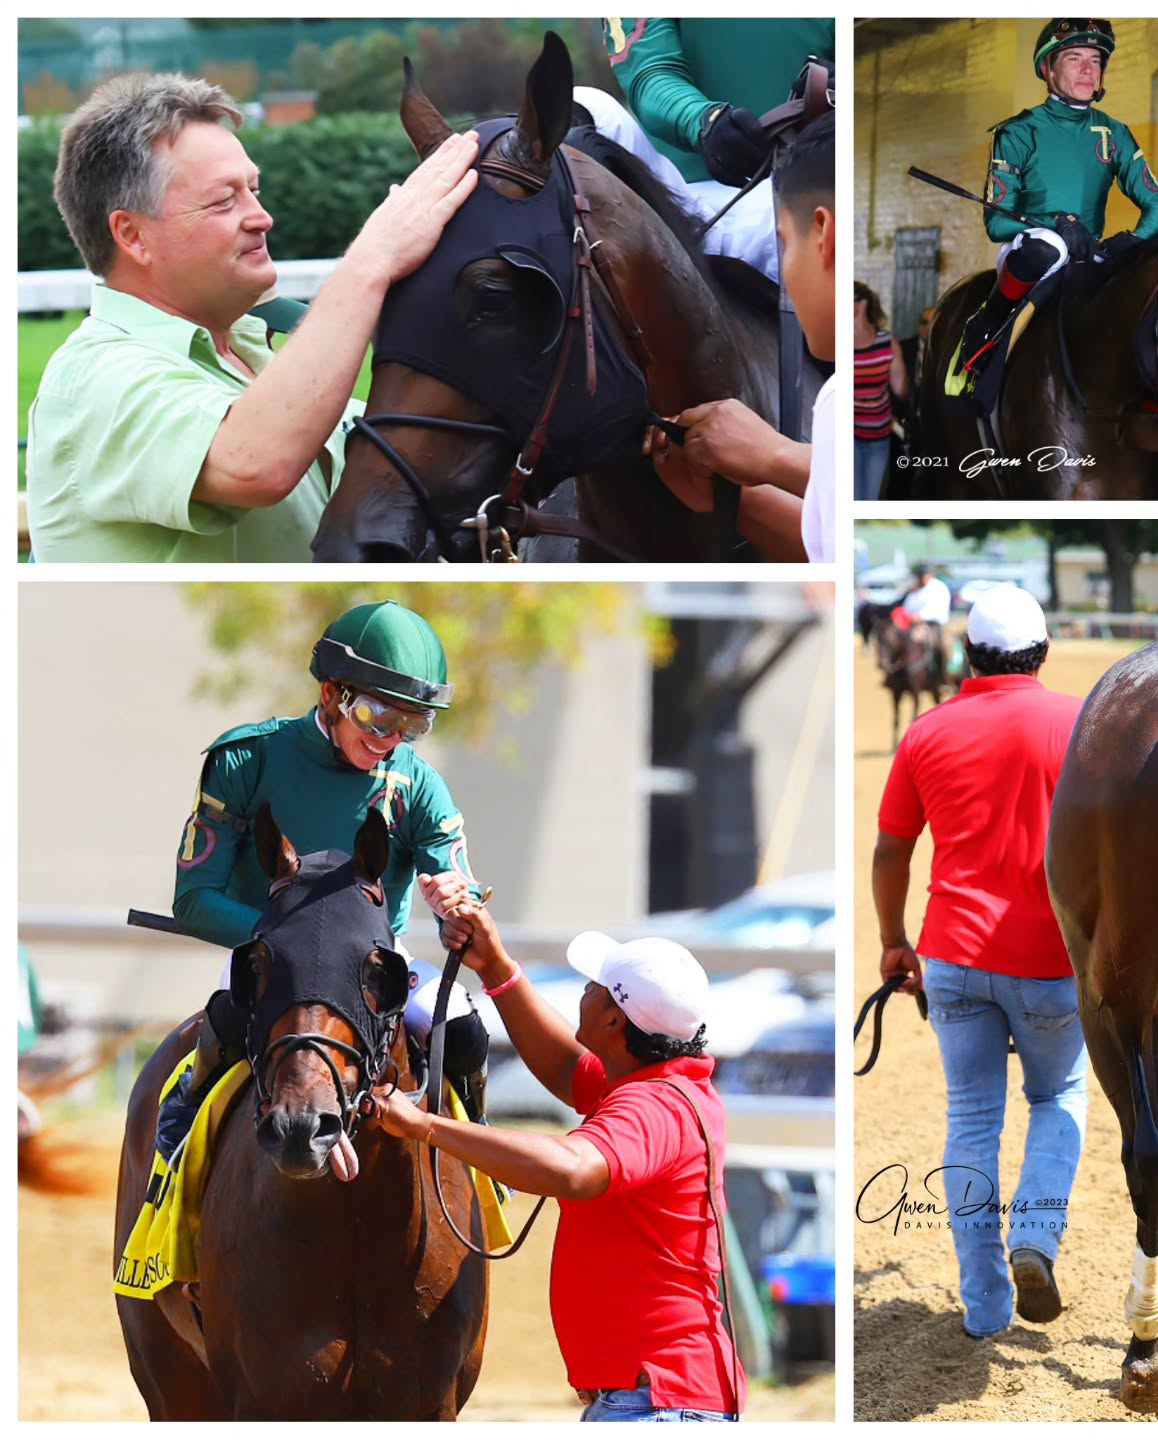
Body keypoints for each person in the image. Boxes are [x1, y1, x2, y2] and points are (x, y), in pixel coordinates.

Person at [27, 72, 480, 563]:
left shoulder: (259, 357)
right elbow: (252, 463)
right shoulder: (94, 377)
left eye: (253, 189)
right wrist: (372, 260)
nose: (262, 216)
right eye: (225, 200)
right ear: (132, 236)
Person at [368, 912, 745, 1422]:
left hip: (656, 1404)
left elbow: (573, 1169)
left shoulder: (654, 1107)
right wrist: (498, 970)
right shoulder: (658, 1085)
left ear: (614, 1022)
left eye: (594, 987)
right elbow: (569, 1069)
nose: (583, 993)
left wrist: (426, 1127)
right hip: (658, 1399)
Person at [157, 601, 490, 1159]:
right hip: (268, 953)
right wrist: (281, 937)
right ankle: (182, 1125)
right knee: (227, 1018)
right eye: (378, 719)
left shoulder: (420, 784)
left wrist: (456, 901)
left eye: (413, 725)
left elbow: (461, 885)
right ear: (331, 695)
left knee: (463, 1030)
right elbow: (194, 900)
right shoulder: (247, 759)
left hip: (377, 960)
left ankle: (479, 1147)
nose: (391, 740)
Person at [872, 585, 1087, 1339]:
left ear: (965, 654)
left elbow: (891, 850)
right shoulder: (1079, 724)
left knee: (970, 1122)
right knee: (1057, 1098)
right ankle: (1035, 1233)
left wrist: (894, 940)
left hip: (953, 958)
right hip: (1051, 962)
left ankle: (986, 1306)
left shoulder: (928, 732)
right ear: (1044, 653)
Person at [644, 111, 836, 561]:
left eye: (787, 242)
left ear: (823, 234)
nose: (786, 258)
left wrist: (775, 455)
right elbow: (830, 546)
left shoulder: (833, 404)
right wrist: (734, 500)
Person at [954, 19, 1158, 384]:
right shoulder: (1017, 132)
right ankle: (988, 325)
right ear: (1047, 69)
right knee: (1049, 247)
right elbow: (996, 225)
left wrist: (1133, 240)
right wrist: (1056, 223)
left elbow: (1157, 205)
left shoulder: (1115, 133)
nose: (1088, 69)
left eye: (1095, 60)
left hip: (1088, 251)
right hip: (1030, 250)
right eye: (1074, 58)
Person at [590, 18, 835, 282]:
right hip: (674, 201)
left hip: (798, 198)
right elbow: (649, 71)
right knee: (587, 105)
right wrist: (703, 120)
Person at [855, 284, 907, 499]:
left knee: (870, 500)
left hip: (880, 435)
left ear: (863, 304)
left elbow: (901, 390)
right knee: (853, 498)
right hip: (850, 435)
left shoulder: (887, 342)